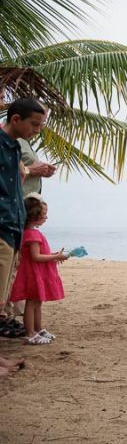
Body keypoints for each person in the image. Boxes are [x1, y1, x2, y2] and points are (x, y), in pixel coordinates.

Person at [0, 99, 46, 339]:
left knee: (2, 296)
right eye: (34, 124)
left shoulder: (15, 147)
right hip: (3, 225)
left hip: (13, 227)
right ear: (16, 119)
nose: (37, 130)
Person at [9, 194, 67, 345]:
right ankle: (30, 333)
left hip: (36, 272)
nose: (46, 217)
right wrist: (55, 257)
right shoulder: (32, 234)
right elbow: (36, 257)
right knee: (32, 302)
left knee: (37, 302)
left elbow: (38, 254)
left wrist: (54, 255)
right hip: (33, 273)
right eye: (44, 214)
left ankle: (38, 329)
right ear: (34, 215)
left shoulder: (31, 232)